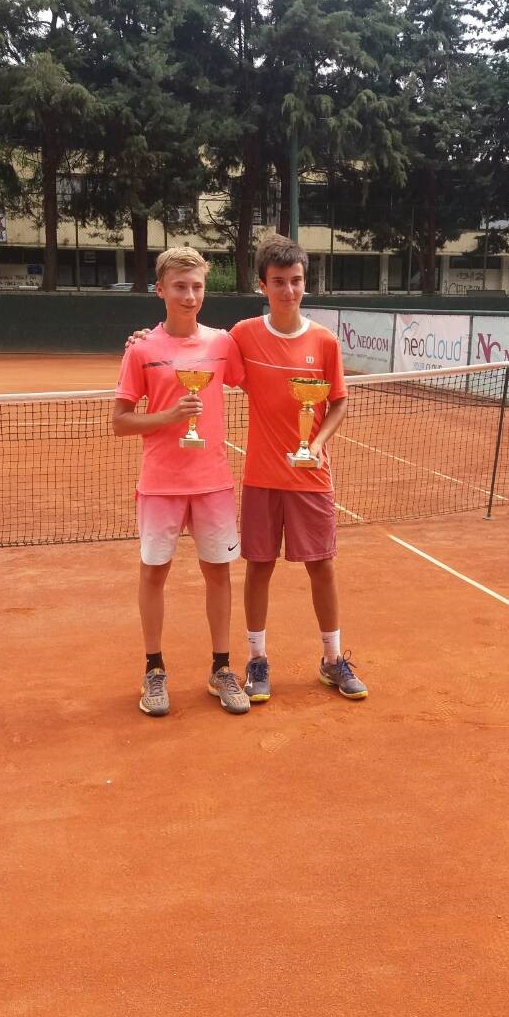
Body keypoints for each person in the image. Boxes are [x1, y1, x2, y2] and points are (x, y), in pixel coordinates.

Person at [112, 246, 250, 718]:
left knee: (219, 573)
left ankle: (221, 668)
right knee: (154, 573)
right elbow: (120, 421)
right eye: (179, 287)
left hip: (213, 481)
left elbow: (252, 378)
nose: (189, 296)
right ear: (160, 290)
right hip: (160, 483)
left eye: (196, 287)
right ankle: (154, 670)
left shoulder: (223, 344)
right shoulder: (141, 349)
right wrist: (169, 416)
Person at [232, 234, 368, 703]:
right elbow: (201, 354)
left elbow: (338, 402)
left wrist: (316, 443)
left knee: (322, 566)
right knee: (259, 567)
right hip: (261, 477)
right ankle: (257, 659)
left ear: (305, 282)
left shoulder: (324, 341)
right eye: (278, 282)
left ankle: (332, 659)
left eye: (295, 280)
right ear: (262, 285)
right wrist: (145, 336)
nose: (288, 290)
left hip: (311, 476)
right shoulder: (243, 335)